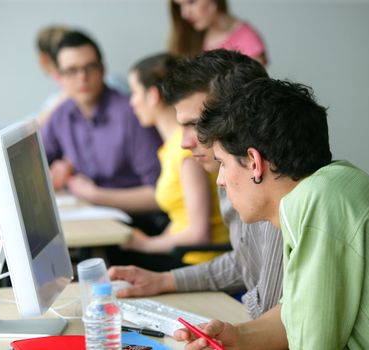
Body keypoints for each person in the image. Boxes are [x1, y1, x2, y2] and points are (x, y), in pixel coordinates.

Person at [175, 77, 369, 349]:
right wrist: (238, 338)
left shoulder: (317, 202)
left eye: (223, 163)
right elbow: (295, 313)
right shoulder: (332, 183)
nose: (220, 180)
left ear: (255, 163)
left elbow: (313, 344)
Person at [109, 49, 283, 318]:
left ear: (238, 117)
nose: (185, 142)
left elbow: (269, 315)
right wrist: (163, 281)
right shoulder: (225, 173)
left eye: (197, 125)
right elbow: (244, 262)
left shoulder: (275, 189)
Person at [41, 31, 165, 233]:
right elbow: (38, 166)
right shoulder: (61, 116)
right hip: (90, 218)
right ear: (59, 78)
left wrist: (95, 195)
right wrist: (56, 170)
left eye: (90, 67)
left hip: (139, 225)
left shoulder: (131, 114)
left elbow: (160, 195)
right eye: (72, 71)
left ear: (103, 69)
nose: (82, 77)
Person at [119, 52, 228, 268]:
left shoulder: (186, 152)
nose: (131, 102)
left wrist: (146, 244)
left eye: (134, 92)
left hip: (199, 264)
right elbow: (181, 220)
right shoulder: (170, 148)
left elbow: (199, 234)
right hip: (185, 258)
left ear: (152, 95)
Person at [0, 25, 70, 147]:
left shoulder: (68, 93)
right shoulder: (60, 93)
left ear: (42, 59)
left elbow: (32, 127)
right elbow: (30, 121)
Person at [168, 0, 268, 65]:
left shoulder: (248, 40)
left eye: (191, 2)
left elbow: (254, 93)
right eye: (179, 6)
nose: (184, 14)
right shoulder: (191, 36)